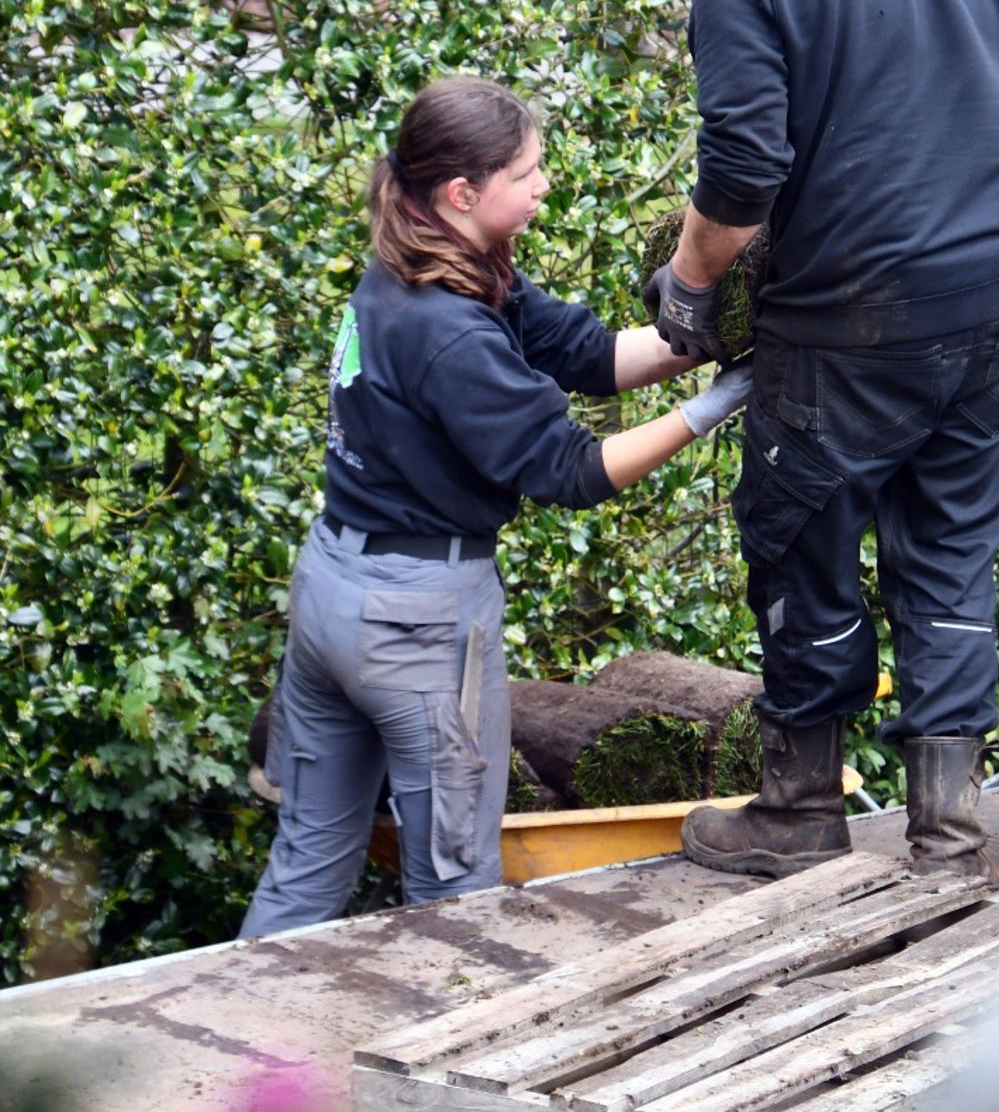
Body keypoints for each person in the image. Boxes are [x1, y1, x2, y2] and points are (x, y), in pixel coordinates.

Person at [645, 0, 999, 885]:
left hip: (854, 314)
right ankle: (951, 834)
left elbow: (741, 169)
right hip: (998, 290)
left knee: (803, 531)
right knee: (952, 545)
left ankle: (801, 807)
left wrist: (688, 281)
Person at [240, 75, 752, 937]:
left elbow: (589, 354)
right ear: (462, 192)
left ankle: (251, 1064)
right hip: (413, 617)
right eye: (528, 171)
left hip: (332, 586)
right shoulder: (448, 333)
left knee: (309, 860)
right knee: (452, 884)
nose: (543, 184)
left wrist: (708, 338)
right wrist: (710, 408)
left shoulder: (422, 271)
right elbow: (572, 471)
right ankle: (440, 1057)